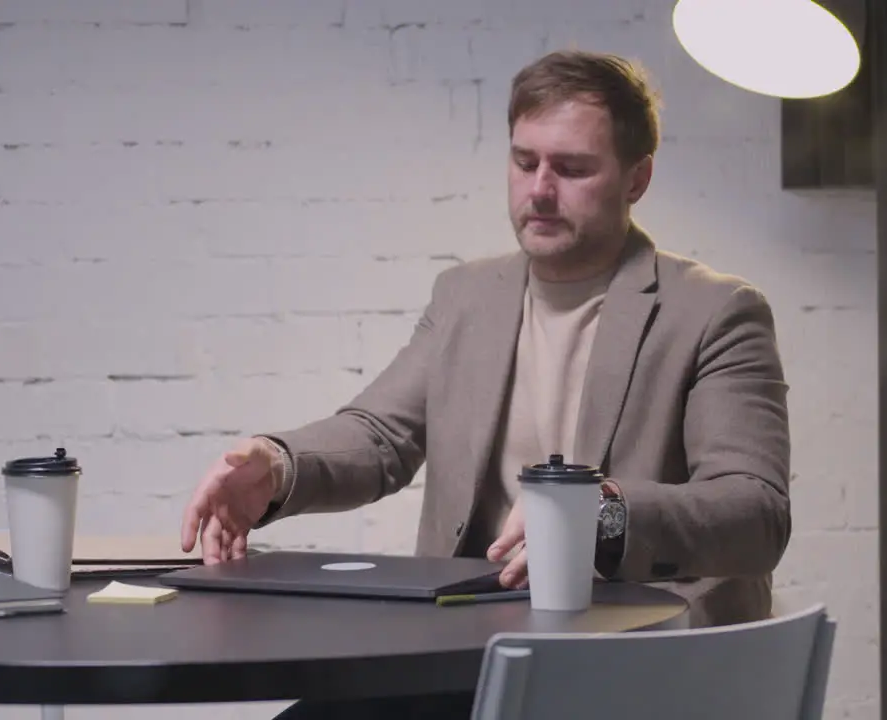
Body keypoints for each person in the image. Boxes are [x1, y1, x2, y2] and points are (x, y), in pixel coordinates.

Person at [180, 49, 791, 719]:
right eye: (525, 162)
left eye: (573, 168)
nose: (540, 191)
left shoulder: (715, 311)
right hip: (467, 656)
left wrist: (603, 513)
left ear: (637, 178)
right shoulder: (466, 295)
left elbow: (754, 511)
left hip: (637, 666)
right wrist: (277, 465)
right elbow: (379, 435)